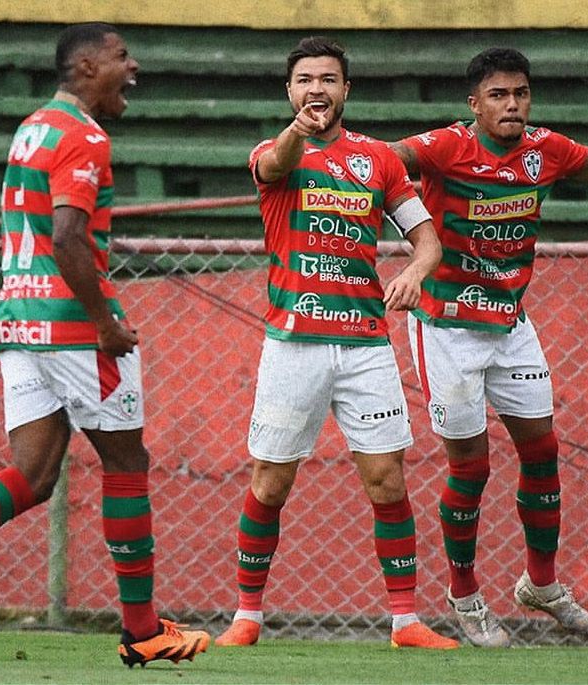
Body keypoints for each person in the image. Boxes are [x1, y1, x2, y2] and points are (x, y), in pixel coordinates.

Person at [0, 23, 210, 668]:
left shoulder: (32, 125)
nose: (133, 66)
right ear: (87, 66)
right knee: (127, 465)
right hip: (71, 328)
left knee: (31, 476)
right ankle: (143, 631)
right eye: (121, 57)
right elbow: (66, 236)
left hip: (17, 321)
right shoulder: (84, 135)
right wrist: (104, 324)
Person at [389, 47, 588, 647]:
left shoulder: (543, 148)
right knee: (472, 466)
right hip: (447, 327)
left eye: (519, 93)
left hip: (511, 322)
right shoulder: (445, 147)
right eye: (498, 95)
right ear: (474, 104)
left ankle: (540, 583)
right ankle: (464, 596)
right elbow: (386, 162)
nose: (512, 104)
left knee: (542, 451)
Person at [214, 37, 458, 651]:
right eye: (304, 80)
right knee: (270, 483)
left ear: (347, 89)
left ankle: (406, 623)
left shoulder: (378, 159)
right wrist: (298, 130)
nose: (316, 89)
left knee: (387, 481)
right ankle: (247, 616)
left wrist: (413, 273)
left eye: (328, 79)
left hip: (365, 345)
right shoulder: (275, 154)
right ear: (289, 91)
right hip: (293, 343)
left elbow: (427, 240)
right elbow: (275, 166)